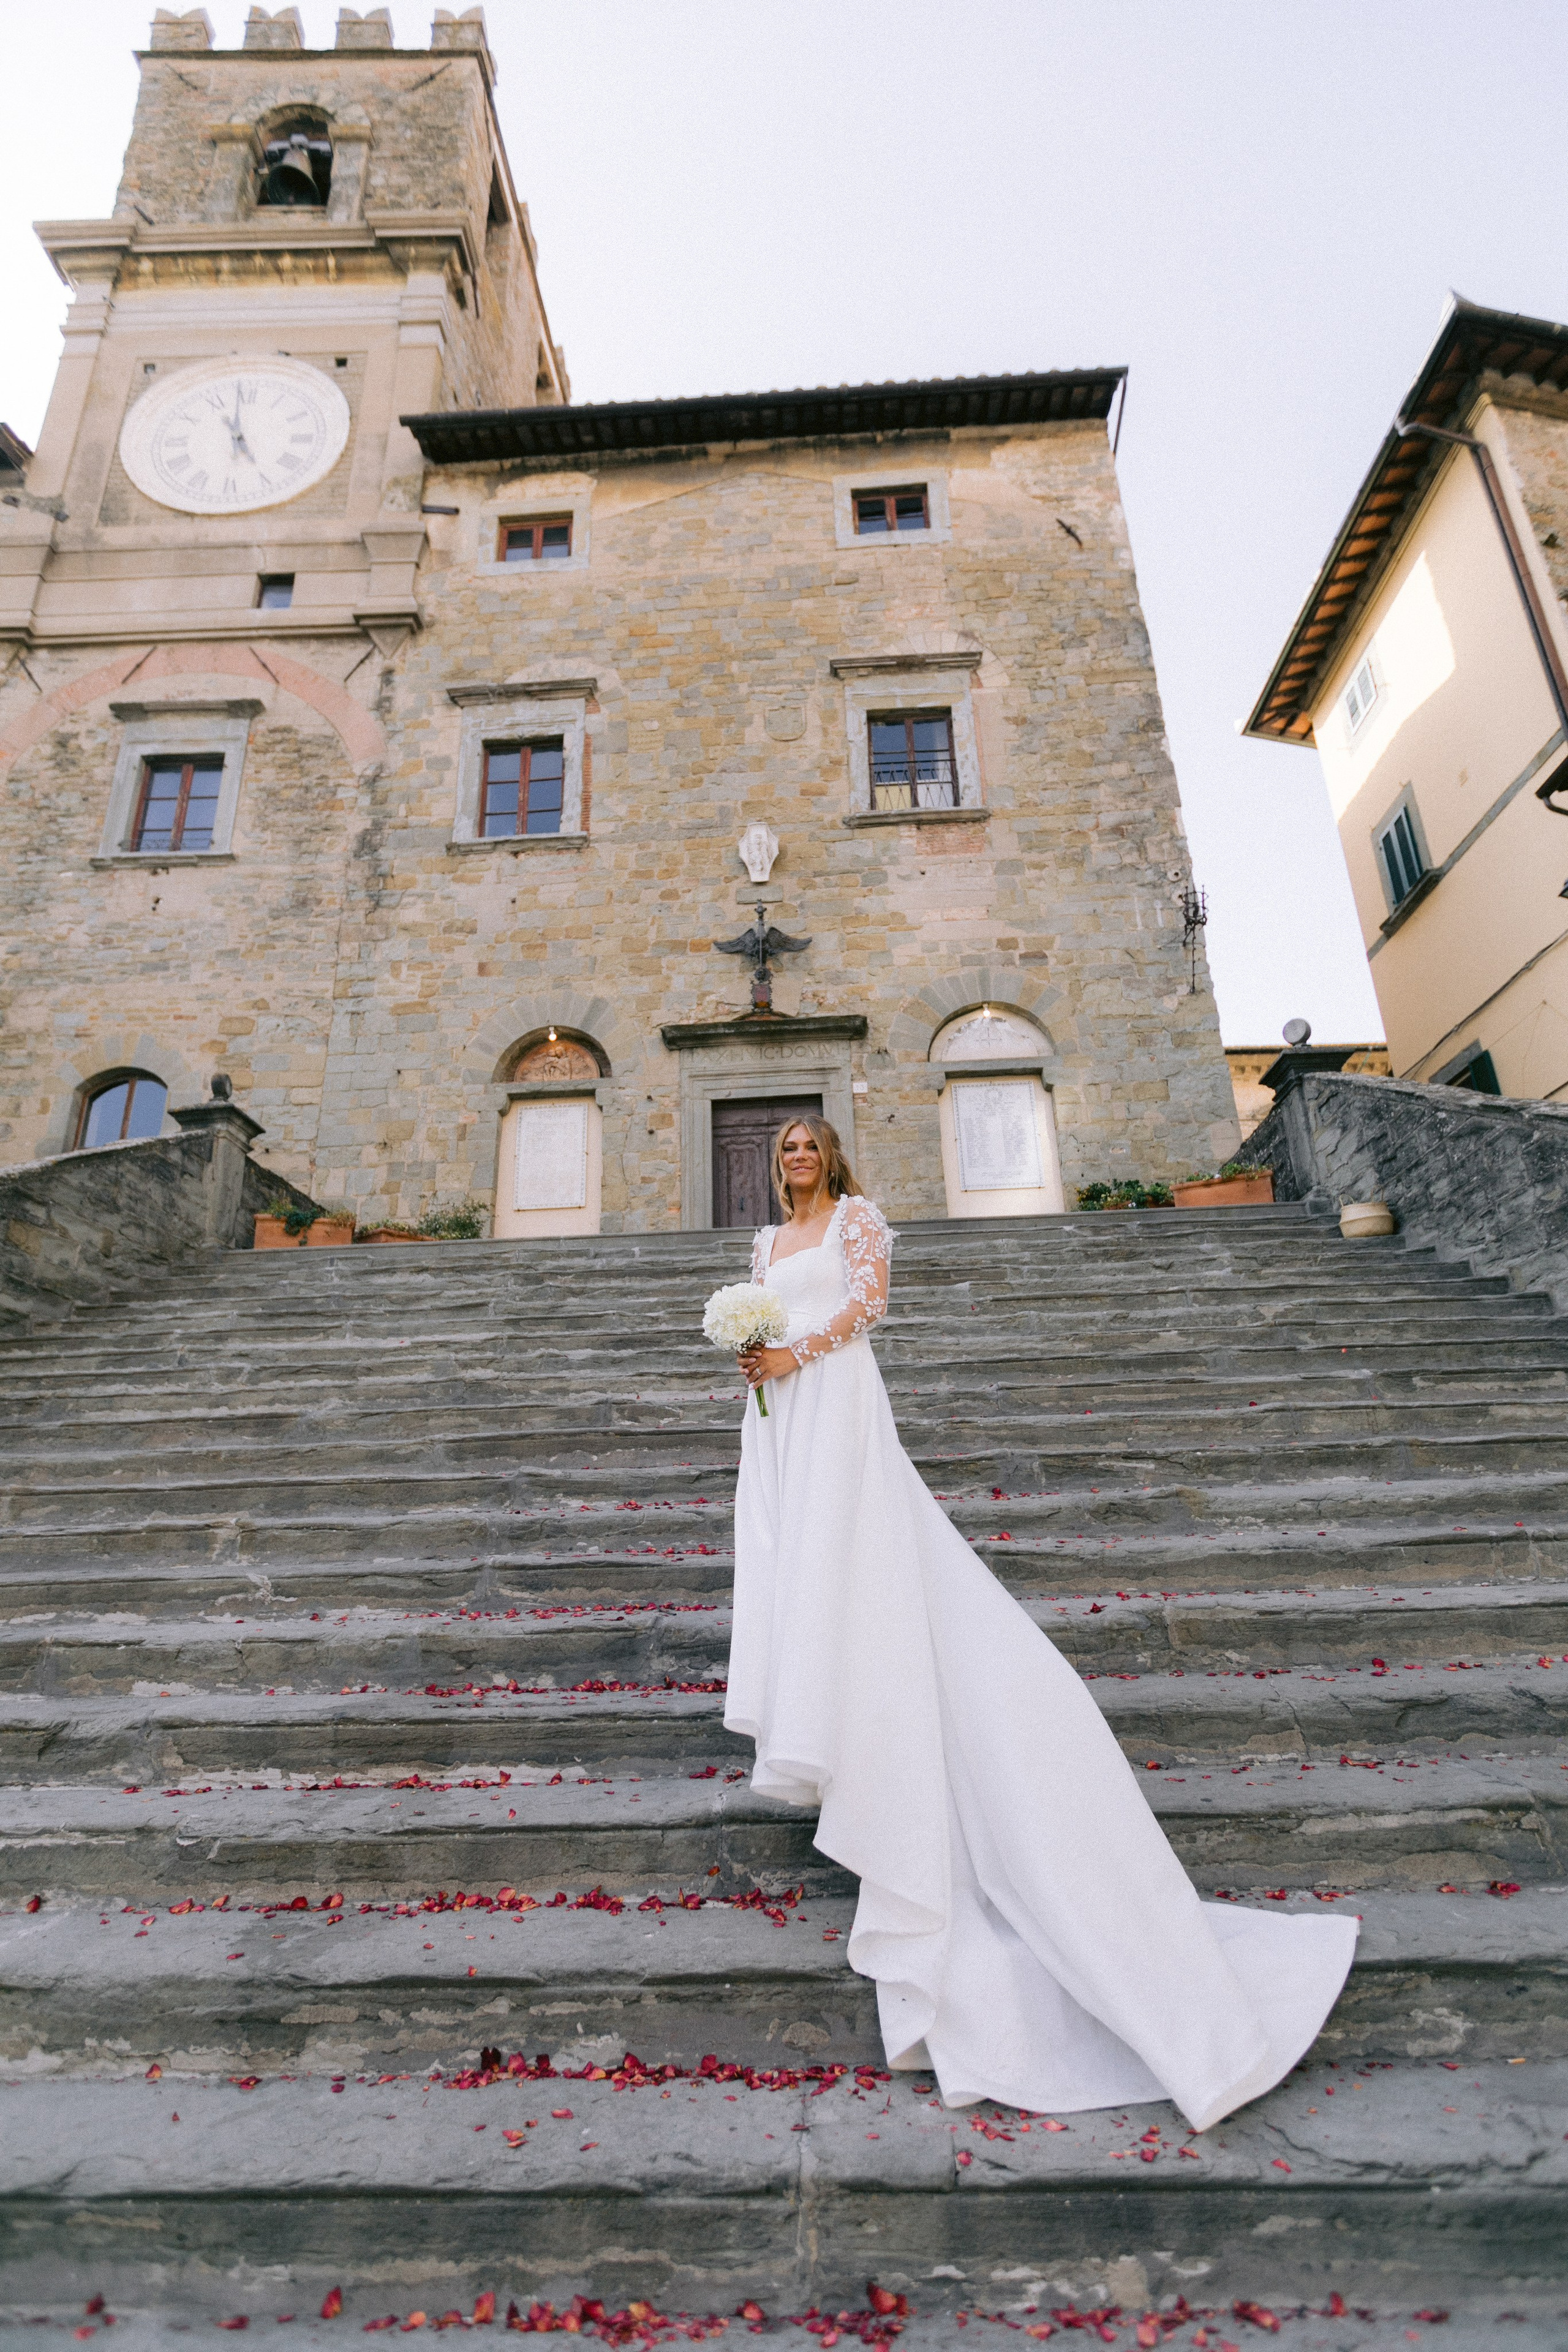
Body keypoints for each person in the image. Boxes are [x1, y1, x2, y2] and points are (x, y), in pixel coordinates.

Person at [729, 1113, 1355, 2130]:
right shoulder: (763, 1242)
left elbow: (872, 1306)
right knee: (798, 1562)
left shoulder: (858, 1219)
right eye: (786, 1149)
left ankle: (867, 1710)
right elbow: (762, 1321)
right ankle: (821, 1697)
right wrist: (758, 1359)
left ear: (832, 1157)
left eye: (809, 1145)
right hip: (780, 1424)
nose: (796, 1158)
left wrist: (797, 1354)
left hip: (836, 1401)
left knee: (862, 1559)